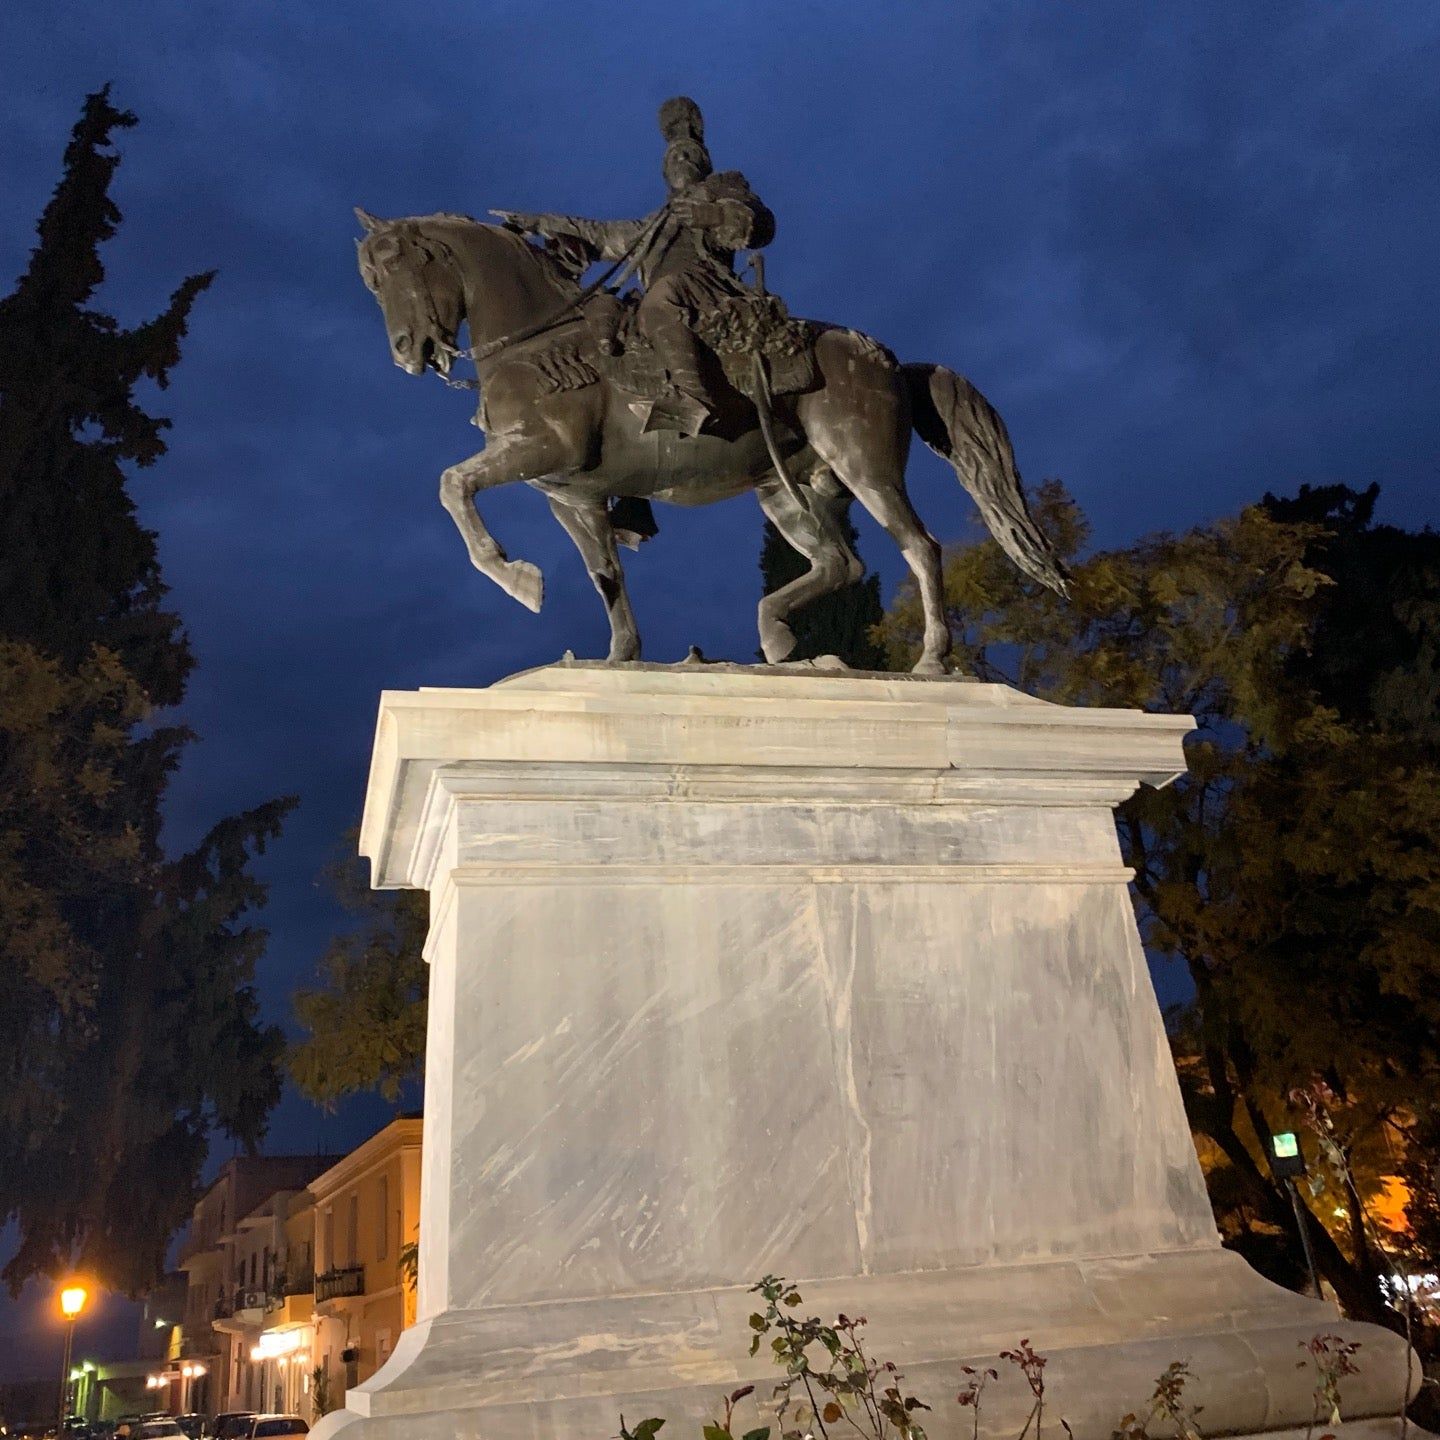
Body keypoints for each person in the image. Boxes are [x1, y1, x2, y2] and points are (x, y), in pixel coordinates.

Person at [494, 97, 775, 435]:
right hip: (661, 296)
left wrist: (713, 215)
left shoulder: (721, 190)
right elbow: (597, 234)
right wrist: (538, 222)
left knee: (660, 299)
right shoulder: (651, 224)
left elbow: (761, 225)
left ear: (705, 165)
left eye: (691, 155)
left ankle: (695, 398)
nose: (682, 159)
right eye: (674, 157)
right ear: (665, 173)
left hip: (706, 287)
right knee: (599, 312)